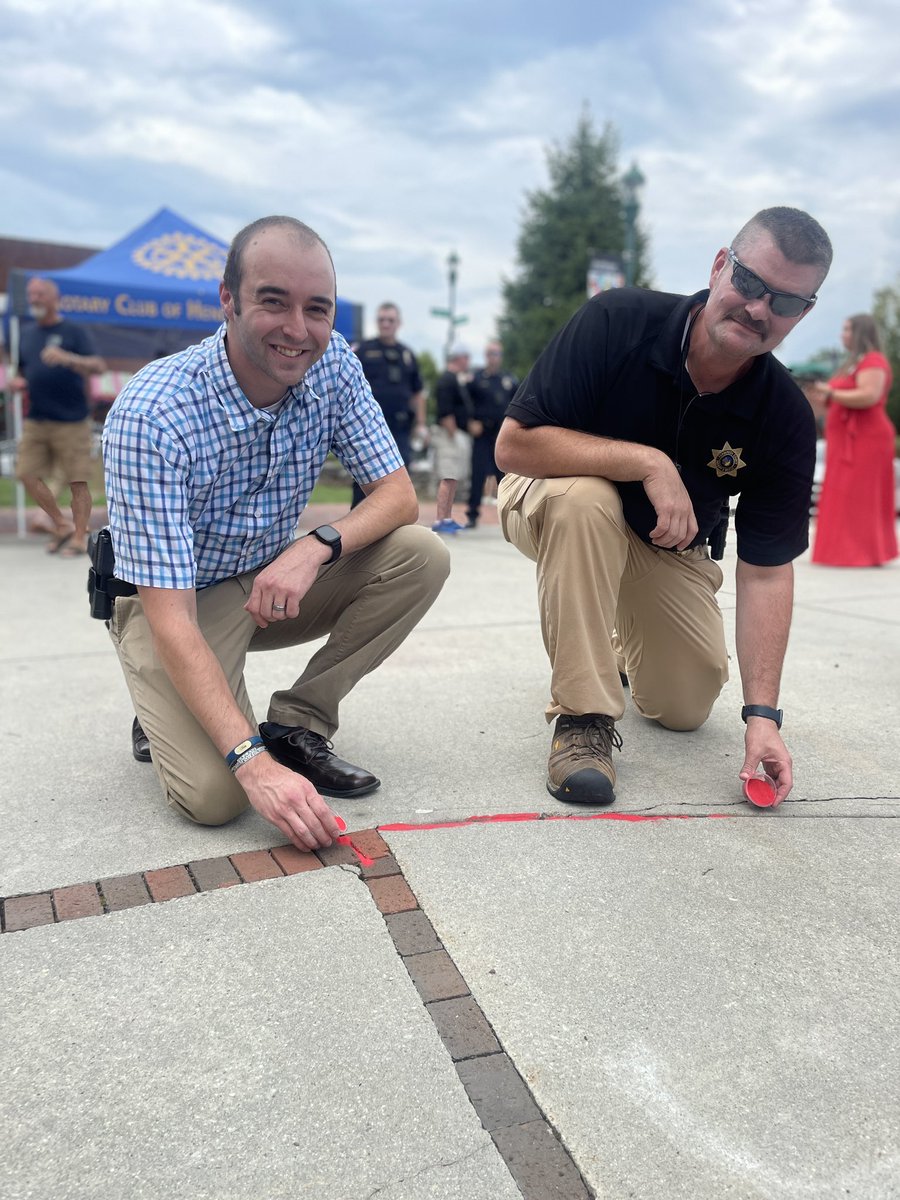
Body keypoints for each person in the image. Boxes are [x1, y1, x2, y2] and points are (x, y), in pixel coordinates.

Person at [102, 216, 451, 851]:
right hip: (174, 605)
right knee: (216, 799)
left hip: (269, 583)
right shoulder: (153, 413)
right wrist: (253, 768)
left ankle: (296, 724)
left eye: (317, 309)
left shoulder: (334, 365)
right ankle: (161, 695)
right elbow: (173, 619)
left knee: (420, 556)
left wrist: (315, 546)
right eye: (273, 301)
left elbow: (399, 496)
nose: (298, 329)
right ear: (227, 299)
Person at [495, 206, 833, 809]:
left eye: (784, 302)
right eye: (750, 282)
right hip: (551, 496)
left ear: (803, 313)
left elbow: (766, 568)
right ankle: (582, 721)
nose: (758, 308)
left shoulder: (783, 413)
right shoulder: (618, 318)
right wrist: (647, 462)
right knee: (586, 501)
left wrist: (762, 717)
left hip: (664, 545)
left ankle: (620, 644)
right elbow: (514, 444)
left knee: (685, 707)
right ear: (720, 266)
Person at [12, 277, 106, 556]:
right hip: (36, 419)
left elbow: (98, 366)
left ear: (55, 299)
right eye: (31, 294)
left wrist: (67, 358)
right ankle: (61, 524)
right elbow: (21, 372)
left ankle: (79, 537)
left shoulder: (74, 331)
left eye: (40, 294)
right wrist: (16, 382)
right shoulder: (27, 335)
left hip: (72, 420)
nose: (35, 299)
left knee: (77, 480)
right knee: (26, 474)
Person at [810, 315, 897, 567]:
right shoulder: (851, 364)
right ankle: (843, 551)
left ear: (860, 332)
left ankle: (861, 553)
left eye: (847, 329)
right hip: (844, 441)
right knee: (843, 493)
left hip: (865, 439)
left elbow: (869, 395)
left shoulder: (873, 361)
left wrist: (831, 391)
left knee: (859, 495)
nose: (843, 334)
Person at [351, 303, 427, 507]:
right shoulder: (363, 350)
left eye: (390, 320)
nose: (386, 324)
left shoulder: (407, 355)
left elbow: (418, 393)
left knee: (401, 478)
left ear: (398, 323)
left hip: (400, 427)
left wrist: (421, 424)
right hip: (369, 428)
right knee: (364, 480)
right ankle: (358, 531)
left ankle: (393, 527)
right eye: (382, 320)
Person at [465, 341, 518, 527]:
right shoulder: (476, 379)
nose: (493, 357)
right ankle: (472, 515)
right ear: (485, 356)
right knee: (478, 474)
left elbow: (517, 405)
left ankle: (511, 518)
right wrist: (469, 422)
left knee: (506, 475)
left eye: (496, 353)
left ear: (500, 357)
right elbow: (464, 403)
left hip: (502, 435)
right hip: (482, 434)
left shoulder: (508, 380)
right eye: (490, 353)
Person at [431, 344, 472, 534]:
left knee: (453, 478)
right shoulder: (447, 380)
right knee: (448, 476)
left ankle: (447, 517)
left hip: (455, 433)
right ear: (459, 358)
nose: (468, 362)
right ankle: (441, 519)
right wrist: (454, 433)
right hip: (449, 434)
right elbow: (446, 409)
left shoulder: (455, 379)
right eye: (466, 358)